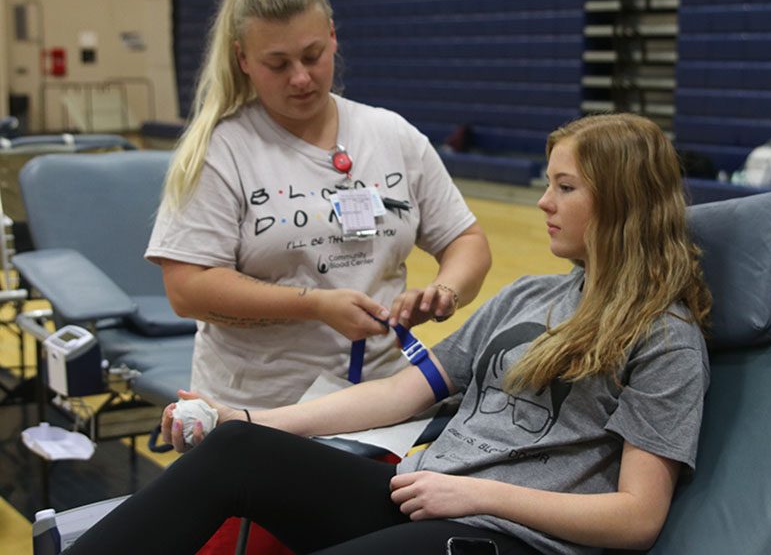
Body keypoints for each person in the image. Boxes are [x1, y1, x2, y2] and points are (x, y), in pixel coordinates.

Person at [69, 113, 712, 555]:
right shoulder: (530, 297)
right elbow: (402, 394)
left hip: (502, 534)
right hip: (426, 493)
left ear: (622, 202)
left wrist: (474, 492)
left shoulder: (665, 339)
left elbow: (637, 517)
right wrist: (240, 415)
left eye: (564, 187)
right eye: (548, 183)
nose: (543, 202)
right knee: (236, 450)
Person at [145, 0, 491, 410]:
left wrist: (445, 291)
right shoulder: (220, 150)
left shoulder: (390, 133)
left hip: (381, 401)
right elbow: (187, 288)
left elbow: (466, 240)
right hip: (258, 410)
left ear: (332, 35)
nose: (301, 77)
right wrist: (313, 304)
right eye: (278, 63)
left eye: (312, 55)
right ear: (243, 59)